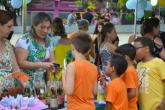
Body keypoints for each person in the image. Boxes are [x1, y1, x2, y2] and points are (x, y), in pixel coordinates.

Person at [15, 12, 56, 86]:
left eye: (48, 27)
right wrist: (41, 65)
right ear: (34, 25)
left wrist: (55, 66)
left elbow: (53, 61)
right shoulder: (25, 40)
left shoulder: (49, 40)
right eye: (42, 27)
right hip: (25, 82)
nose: (46, 31)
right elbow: (20, 63)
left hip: (42, 82)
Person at [62, 31, 98, 110]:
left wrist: (63, 76)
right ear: (88, 51)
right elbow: (95, 92)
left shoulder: (72, 66)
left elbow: (69, 91)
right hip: (90, 107)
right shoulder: (94, 67)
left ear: (73, 48)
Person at [134, 37, 165, 110]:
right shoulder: (139, 65)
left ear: (147, 49)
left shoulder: (158, 63)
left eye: (137, 49)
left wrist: (163, 103)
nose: (134, 52)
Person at [0, 9, 21, 94]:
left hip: (10, 94)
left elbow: (16, 69)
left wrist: (26, 83)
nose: (11, 29)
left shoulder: (7, 43)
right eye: (9, 26)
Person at [115, 44, 138, 110]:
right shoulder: (129, 70)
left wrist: (120, 101)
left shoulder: (128, 71)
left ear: (125, 57)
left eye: (118, 57)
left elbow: (132, 93)